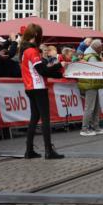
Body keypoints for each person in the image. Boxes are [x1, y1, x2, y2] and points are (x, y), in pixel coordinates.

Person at [19, 23, 64, 159]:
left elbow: (41, 70)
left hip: (30, 87)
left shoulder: (24, 50)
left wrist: (58, 73)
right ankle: (48, 150)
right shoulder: (32, 51)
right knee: (45, 119)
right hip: (38, 87)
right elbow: (42, 71)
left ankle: (29, 149)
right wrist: (58, 66)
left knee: (34, 118)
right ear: (36, 35)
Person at [77, 38, 103, 136]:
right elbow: (97, 70)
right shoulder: (92, 57)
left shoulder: (91, 55)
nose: (102, 49)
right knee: (89, 107)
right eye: (101, 47)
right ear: (97, 47)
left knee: (95, 107)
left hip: (93, 84)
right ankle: (84, 129)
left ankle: (95, 127)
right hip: (91, 84)